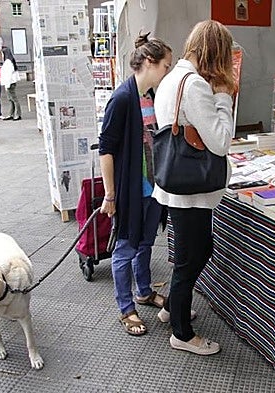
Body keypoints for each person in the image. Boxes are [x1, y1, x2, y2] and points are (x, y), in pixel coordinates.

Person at [152, 20, 235, 355]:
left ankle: (172, 307)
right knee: (190, 260)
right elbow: (220, 142)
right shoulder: (196, 86)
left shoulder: (173, 78)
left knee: (197, 252)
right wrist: (225, 99)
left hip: (179, 184)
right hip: (192, 191)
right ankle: (182, 334)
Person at [98, 33, 173, 336]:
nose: (168, 72)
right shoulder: (122, 98)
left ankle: (143, 291)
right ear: (149, 62)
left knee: (145, 243)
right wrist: (110, 194)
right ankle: (125, 308)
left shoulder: (150, 97)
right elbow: (106, 149)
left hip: (153, 187)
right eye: (166, 66)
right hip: (130, 189)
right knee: (126, 247)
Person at [0, 46, 22, 121]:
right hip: (10, 82)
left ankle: (17, 114)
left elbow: (8, 74)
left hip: (9, 83)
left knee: (14, 99)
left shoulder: (8, 62)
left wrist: (7, 85)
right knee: (11, 99)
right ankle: (11, 114)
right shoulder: (9, 61)